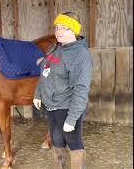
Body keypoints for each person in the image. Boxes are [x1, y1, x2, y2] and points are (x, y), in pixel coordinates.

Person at [33, 12, 92, 169]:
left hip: (67, 106)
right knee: (57, 139)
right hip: (51, 105)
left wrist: (72, 118)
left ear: (74, 30)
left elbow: (81, 89)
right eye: (57, 27)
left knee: (73, 142)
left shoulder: (80, 55)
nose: (59, 32)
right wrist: (38, 94)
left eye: (65, 28)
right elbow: (45, 70)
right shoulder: (54, 47)